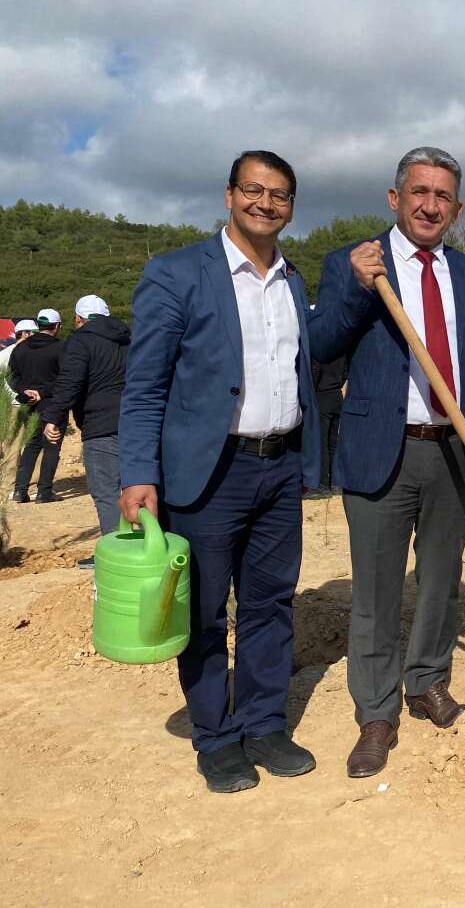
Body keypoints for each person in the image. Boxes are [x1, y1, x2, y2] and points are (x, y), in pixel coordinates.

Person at [118, 150, 322, 793]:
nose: (267, 203)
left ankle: (263, 724)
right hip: (208, 473)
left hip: (279, 464)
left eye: (281, 195)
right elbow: (145, 385)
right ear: (230, 194)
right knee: (204, 612)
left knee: (269, 604)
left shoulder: (293, 281)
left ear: (291, 206)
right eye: (255, 190)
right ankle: (216, 736)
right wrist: (137, 473)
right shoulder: (176, 274)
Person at [309, 146, 465, 780]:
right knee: (374, 590)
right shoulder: (354, 263)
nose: (430, 204)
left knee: (440, 581)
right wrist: (356, 288)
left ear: (458, 207)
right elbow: (320, 346)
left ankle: (427, 682)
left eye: (443, 196)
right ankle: (376, 711)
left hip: (454, 449)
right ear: (395, 199)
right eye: (418, 192)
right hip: (381, 448)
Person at [40, 295, 132, 564]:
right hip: (139, 423)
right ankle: (152, 547)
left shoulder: (80, 342)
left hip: (100, 425)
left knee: (106, 491)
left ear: (78, 319)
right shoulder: (130, 339)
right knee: (140, 484)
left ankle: (117, 556)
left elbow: (69, 383)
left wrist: (53, 418)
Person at [9, 308, 66, 503]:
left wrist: (25, 391)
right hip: (53, 403)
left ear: (38, 325)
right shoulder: (61, 348)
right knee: (51, 446)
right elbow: (66, 379)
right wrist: (42, 392)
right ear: (57, 326)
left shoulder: (20, 348)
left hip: (28, 404)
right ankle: (44, 492)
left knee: (31, 446)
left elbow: (11, 377)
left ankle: (20, 490)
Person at [308, 327, 346, 498]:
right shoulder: (341, 347)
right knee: (333, 442)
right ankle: (336, 483)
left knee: (321, 442)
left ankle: (322, 484)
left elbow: (315, 370)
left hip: (321, 396)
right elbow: (346, 371)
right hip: (337, 394)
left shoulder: (320, 348)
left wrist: (312, 390)